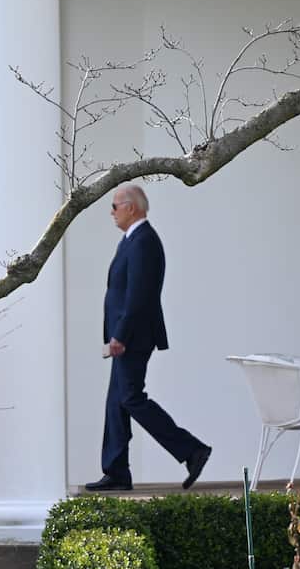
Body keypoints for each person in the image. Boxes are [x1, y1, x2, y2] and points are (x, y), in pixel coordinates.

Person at [85, 183, 212, 492]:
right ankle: (116, 471)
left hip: (134, 336)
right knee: (117, 402)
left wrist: (120, 335)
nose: (111, 213)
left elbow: (139, 295)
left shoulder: (143, 241)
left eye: (115, 206)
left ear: (132, 207)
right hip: (128, 335)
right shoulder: (132, 240)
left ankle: (191, 449)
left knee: (129, 398)